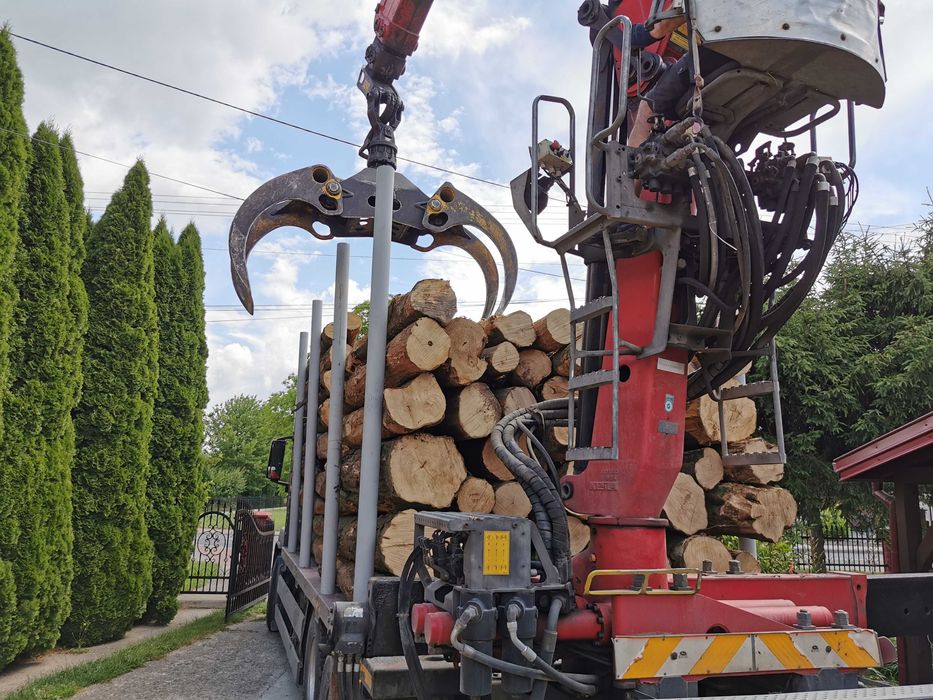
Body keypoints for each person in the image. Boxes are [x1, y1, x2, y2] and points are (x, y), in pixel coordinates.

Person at [626, 16, 691, 147]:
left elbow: (664, 25)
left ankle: (635, 164)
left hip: (712, 55)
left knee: (647, 107)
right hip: (739, 59)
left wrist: (638, 36)